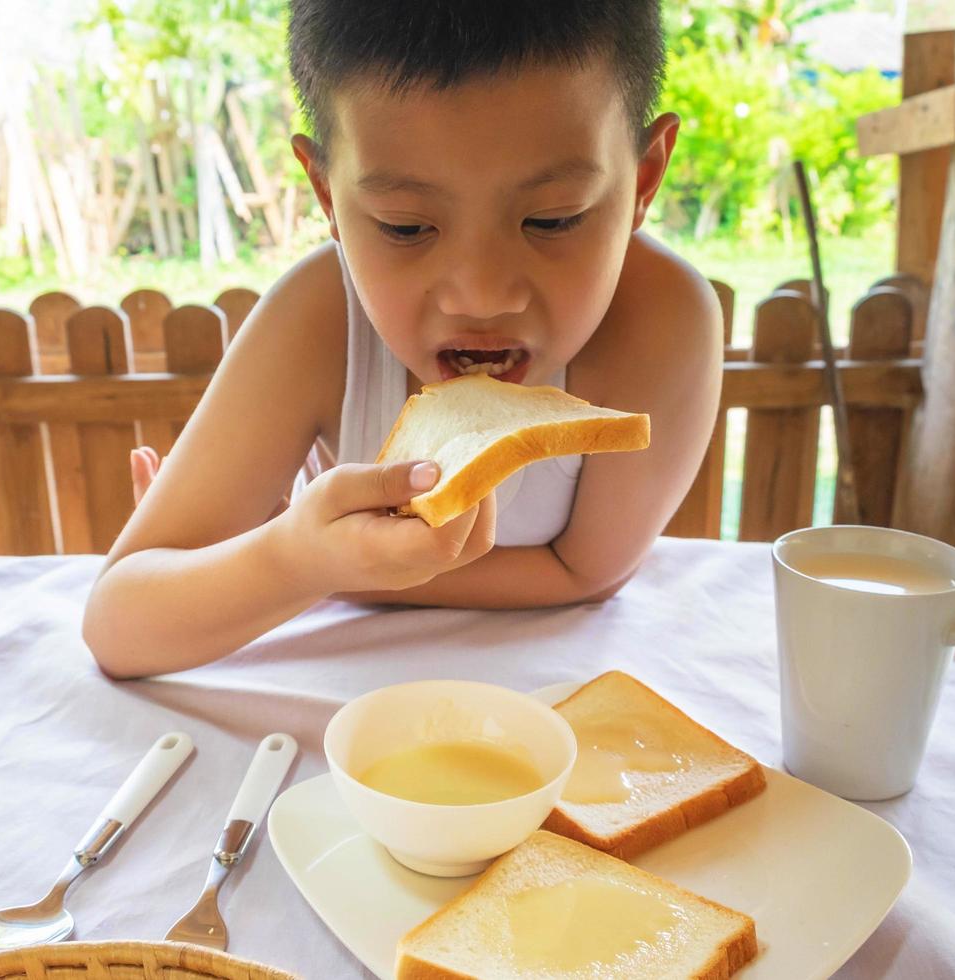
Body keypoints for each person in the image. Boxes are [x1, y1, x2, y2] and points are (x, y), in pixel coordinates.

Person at [84, 0, 721, 677]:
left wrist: (311, 565)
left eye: (553, 220)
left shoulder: (662, 320)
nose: (480, 296)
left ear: (645, 177)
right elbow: (120, 625)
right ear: (327, 196)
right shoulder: (319, 320)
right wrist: (294, 554)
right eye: (405, 227)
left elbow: (586, 574)